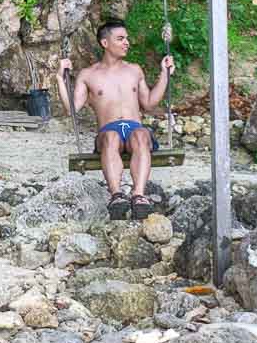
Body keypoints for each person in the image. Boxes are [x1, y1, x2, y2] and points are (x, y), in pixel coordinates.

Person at [56, 19, 174, 220]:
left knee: (139, 134)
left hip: (135, 128)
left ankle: (138, 196)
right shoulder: (88, 75)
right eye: (120, 39)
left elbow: (149, 103)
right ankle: (116, 196)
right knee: (111, 136)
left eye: (126, 38)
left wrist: (165, 74)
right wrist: (60, 78)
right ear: (105, 43)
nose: (126, 42)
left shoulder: (134, 70)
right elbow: (72, 110)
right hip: (108, 130)